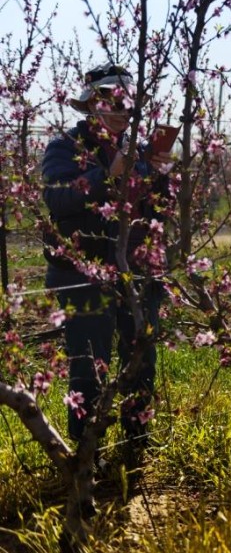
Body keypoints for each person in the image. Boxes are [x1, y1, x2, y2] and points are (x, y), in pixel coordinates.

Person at [42, 62, 170, 451]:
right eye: (109, 101)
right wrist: (106, 176)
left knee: (141, 360)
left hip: (137, 273)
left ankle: (137, 443)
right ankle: (86, 455)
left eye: (126, 102)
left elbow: (158, 211)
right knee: (88, 368)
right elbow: (57, 198)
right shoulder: (66, 147)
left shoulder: (140, 151)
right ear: (91, 105)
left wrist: (162, 179)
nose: (119, 109)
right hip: (84, 276)